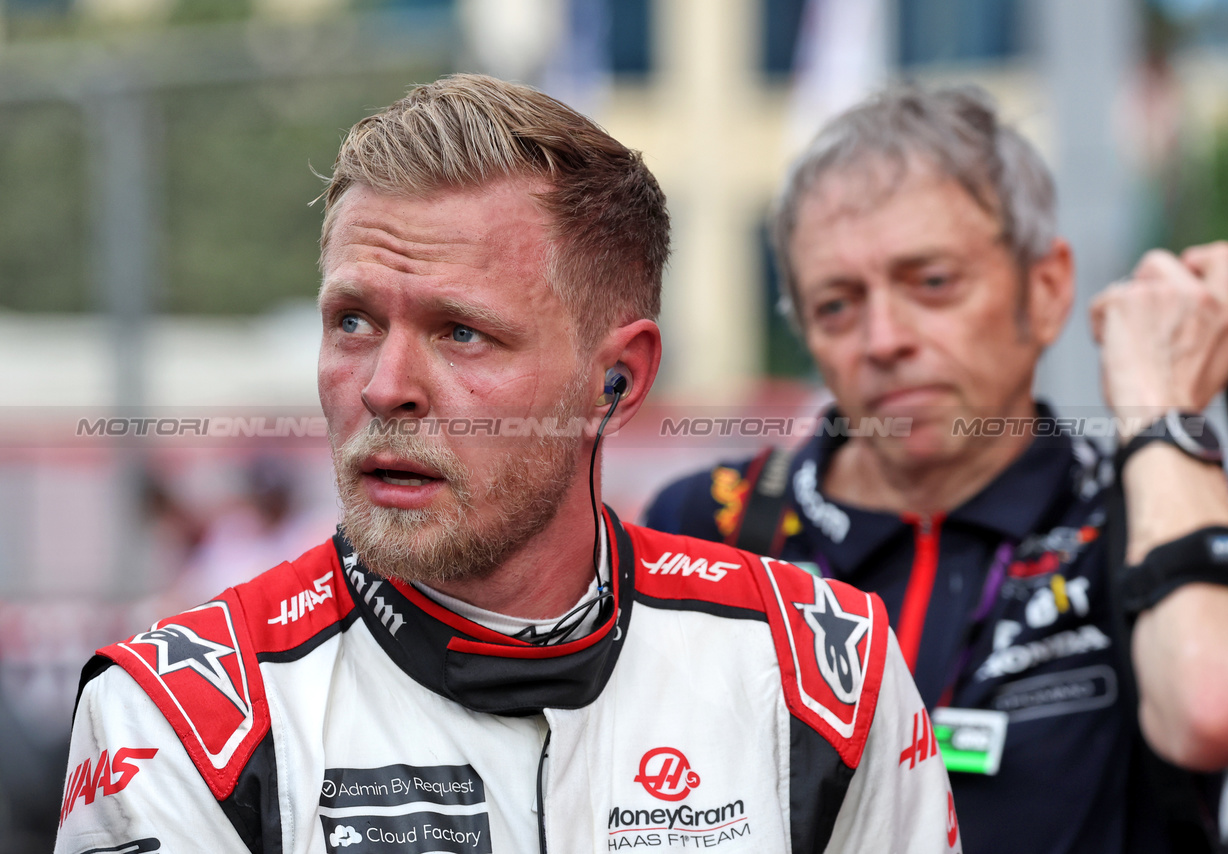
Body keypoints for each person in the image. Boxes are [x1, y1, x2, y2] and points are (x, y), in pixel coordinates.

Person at [54, 75, 958, 854]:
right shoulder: (179, 715)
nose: (385, 387)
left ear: (616, 380)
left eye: (462, 332)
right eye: (354, 321)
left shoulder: (822, 673)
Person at [644, 85, 1228, 854]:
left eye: (932, 282)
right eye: (838, 304)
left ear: (1044, 291)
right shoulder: (711, 524)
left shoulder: (1145, 508)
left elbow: (1223, 708)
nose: (883, 338)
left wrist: (1157, 406)